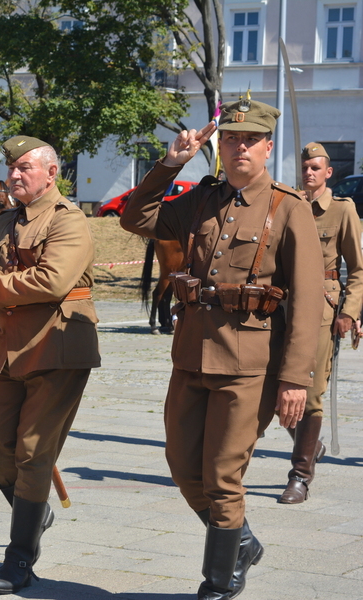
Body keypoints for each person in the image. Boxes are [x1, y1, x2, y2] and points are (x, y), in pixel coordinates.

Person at [120, 99, 323, 599]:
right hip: (191, 355)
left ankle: (219, 581)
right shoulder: (201, 199)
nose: (239, 148)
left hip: (249, 367)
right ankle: (242, 543)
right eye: (230, 139)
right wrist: (172, 164)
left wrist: (296, 380)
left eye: (250, 140)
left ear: (268, 146)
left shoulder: (288, 207)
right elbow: (135, 218)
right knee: (182, 466)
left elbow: (307, 304)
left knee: (222, 475)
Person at [0, 136, 100, 594]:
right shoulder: (5, 219)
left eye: (24, 168)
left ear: (51, 173)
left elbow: (52, 280)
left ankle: (19, 560)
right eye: (10, 168)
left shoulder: (70, 221)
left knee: (33, 454)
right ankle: (35, 509)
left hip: (55, 348)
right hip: (6, 347)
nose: (14, 175)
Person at [276, 143, 363, 504]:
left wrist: (350, 312)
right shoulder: (287, 205)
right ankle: (312, 445)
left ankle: (300, 475)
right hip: (280, 308)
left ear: (328, 172)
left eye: (316, 168)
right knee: (273, 394)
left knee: (309, 395)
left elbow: (357, 270)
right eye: (305, 167)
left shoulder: (342, 210)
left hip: (322, 313)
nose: (308, 173)